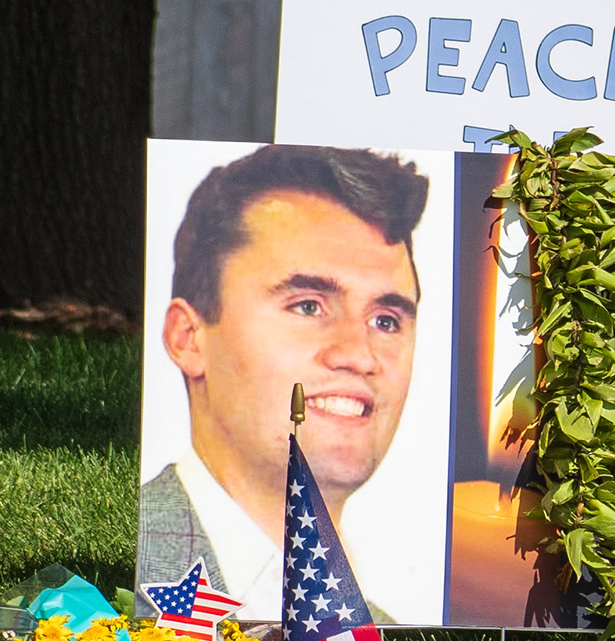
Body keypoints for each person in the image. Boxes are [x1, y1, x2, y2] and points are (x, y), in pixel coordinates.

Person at [139, 146, 431, 616]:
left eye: (386, 320)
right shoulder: (104, 569)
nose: (359, 355)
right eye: (308, 306)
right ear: (188, 338)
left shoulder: (385, 639)